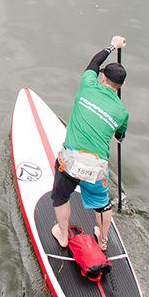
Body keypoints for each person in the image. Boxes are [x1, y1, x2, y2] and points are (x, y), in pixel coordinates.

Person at [51, 35, 128, 251]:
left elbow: (94, 63)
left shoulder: (87, 86)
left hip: (70, 161)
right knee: (102, 205)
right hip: (96, 168)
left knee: (60, 197)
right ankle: (103, 240)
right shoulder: (122, 112)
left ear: (102, 79)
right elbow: (120, 137)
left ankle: (63, 235)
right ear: (121, 85)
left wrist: (113, 45)